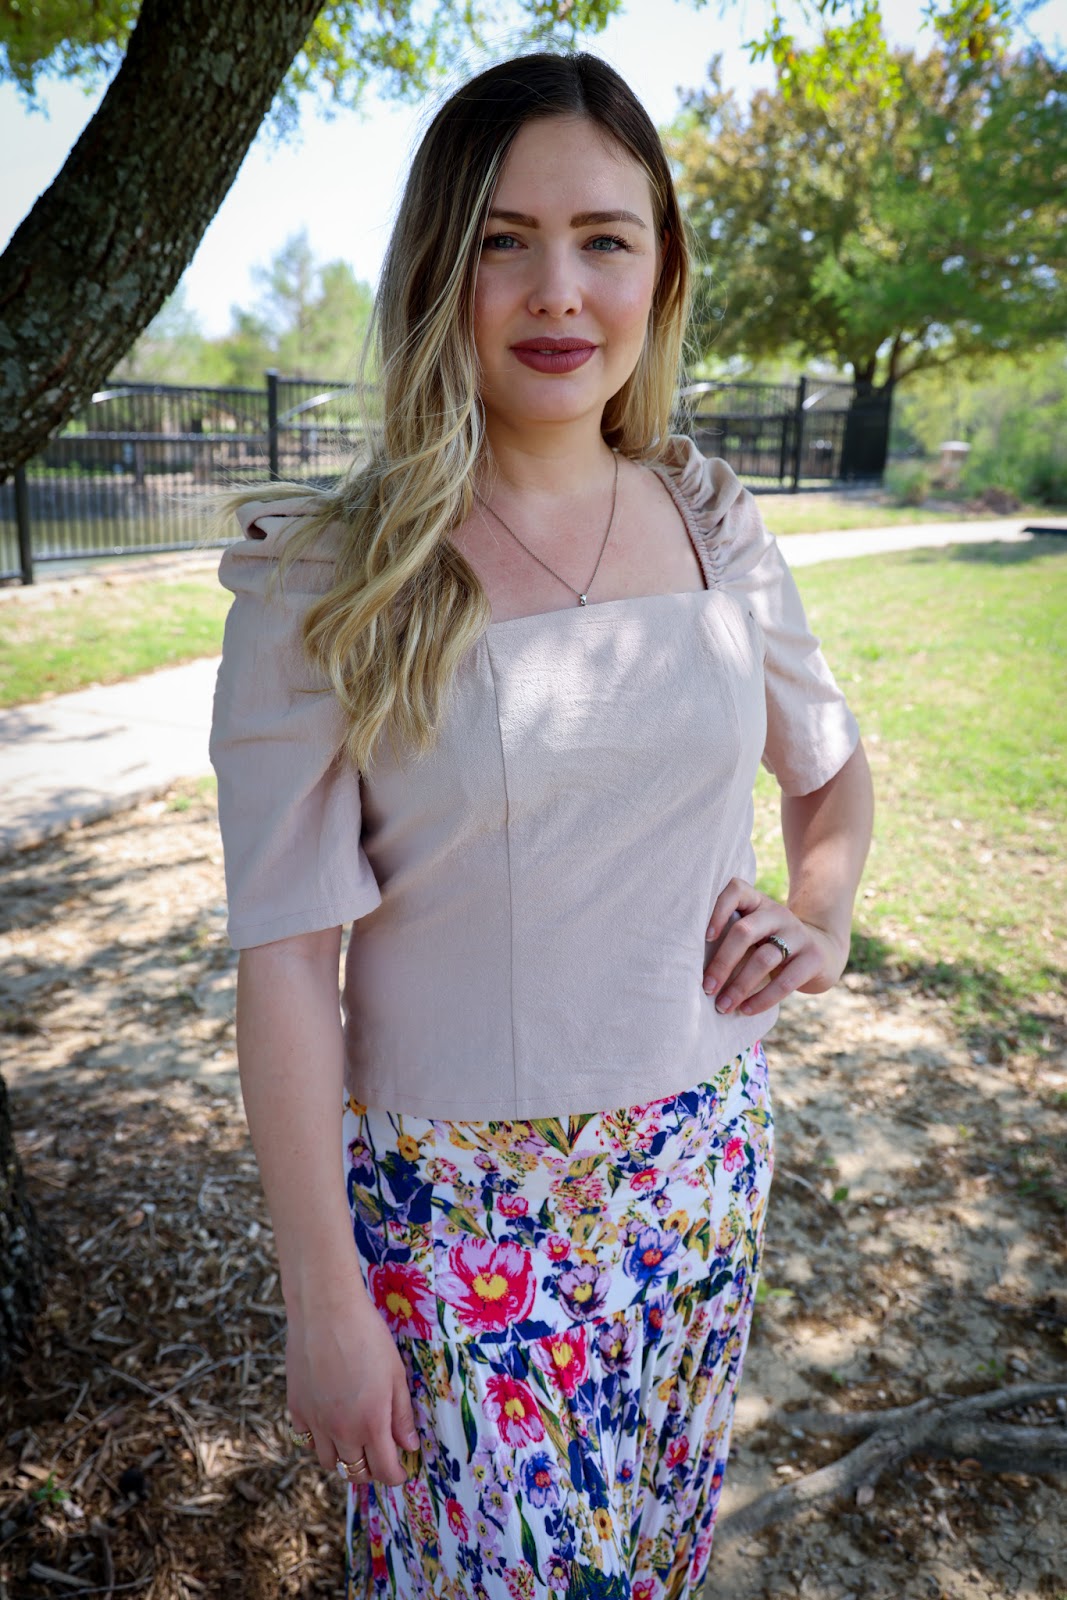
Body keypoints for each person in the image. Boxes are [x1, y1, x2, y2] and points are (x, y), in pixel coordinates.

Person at [209, 50, 873, 1600]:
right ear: (439, 272)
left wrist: (823, 914)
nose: (558, 290)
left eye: (604, 239)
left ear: (662, 269)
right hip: (455, 1223)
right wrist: (325, 1301)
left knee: (653, 1564)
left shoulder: (713, 524)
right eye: (504, 240)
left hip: (698, 1177)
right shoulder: (327, 579)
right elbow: (287, 964)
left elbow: (830, 768)